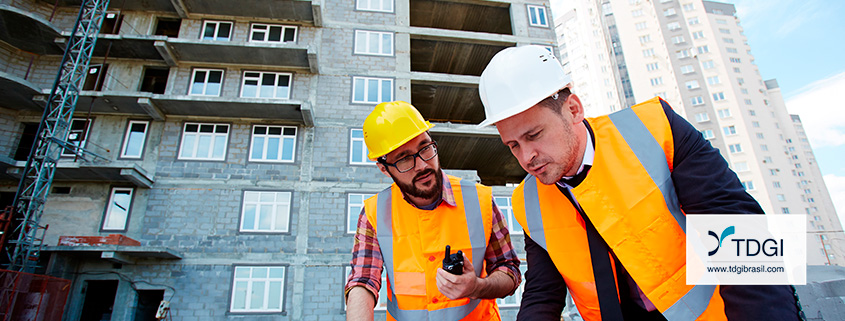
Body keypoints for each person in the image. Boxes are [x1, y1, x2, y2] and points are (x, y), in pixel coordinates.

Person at [477, 45, 802, 320]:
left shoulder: (655, 129)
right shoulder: (527, 202)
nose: (526, 157)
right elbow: (542, 296)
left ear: (573, 109)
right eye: (513, 145)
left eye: (534, 135)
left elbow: (739, 233)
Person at [344, 101, 522, 320]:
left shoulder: (480, 200)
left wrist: (477, 286)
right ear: (384, 169)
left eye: (425, 148)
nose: (422, 165)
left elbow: (509, 270)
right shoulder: (374, 213)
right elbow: (362, 281)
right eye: (404, 159)